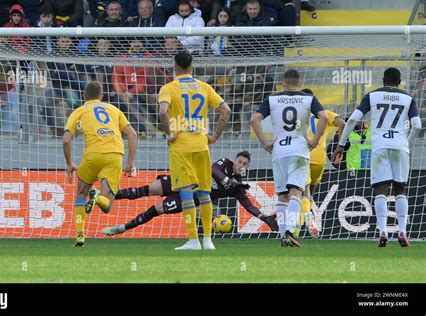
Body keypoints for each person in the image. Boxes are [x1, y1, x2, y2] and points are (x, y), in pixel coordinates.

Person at [332, 68, 422, 248]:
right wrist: (406, 141)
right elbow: (417, 126)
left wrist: (341, 144)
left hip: (380, 146)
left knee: (380, 188)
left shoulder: (372, 96)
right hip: (400, 146)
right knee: (400, 188)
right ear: (399, 81)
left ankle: (383, 231)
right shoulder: (408, 98)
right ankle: (403, 231)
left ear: (383, 80)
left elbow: (351, 120)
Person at [103, 151, 279, 236]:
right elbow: (213, 170)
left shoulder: (238, 187)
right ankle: (106, 196)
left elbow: (248, 206)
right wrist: (227, 181)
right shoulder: (225, 163)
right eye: (240, 161)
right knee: (146, 189)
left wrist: (264, 217)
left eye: (245, 164)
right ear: (234, 160)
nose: (241, 165)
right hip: (184, 179)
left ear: (247, 168)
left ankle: (121, 229)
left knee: (155, 209)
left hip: (188, 199)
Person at [158, 51, 231, 250]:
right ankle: (208, 240)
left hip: (181, 146)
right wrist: (214, 135)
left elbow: (163, 112)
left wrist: (169, 133)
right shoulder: (204, 87)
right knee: (204, 192)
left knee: (186, 192)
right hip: (201, 145)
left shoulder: (168, 88)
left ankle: (193, 240)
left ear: (174, 66)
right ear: (192, 67)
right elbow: (226, 110)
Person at [250, 69, 327, 247]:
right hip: (299, 149)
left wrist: (264, 142)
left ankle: (283, 233)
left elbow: (254, 119)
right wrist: (314, 141)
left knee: (282, 195)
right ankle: (291, 230)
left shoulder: (272, 99)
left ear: (283, 84)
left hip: (279, 150)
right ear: (300, 83)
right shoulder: (308, 99)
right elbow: (323, 116)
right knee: (296, 193)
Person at [63, 81, 138, 247]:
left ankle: (80, 235)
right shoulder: (114, 109)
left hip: (92, 155)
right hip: (114, 155)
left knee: (81, 195)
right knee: (107, 205)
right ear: (102, 96)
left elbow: (66, 140)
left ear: (84, 97)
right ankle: (97, 197)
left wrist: (70, 164)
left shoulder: (79, 111)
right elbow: (132, 134)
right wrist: (130, 162)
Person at [292, 88, 345, 239]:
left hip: (303, 154)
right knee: (308, 192)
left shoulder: (296, 114)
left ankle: (308, 219)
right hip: (319, 159)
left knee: (302, 192)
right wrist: (339, 145)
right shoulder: (325, 113)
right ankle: (297, 229)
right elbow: (342, 123)